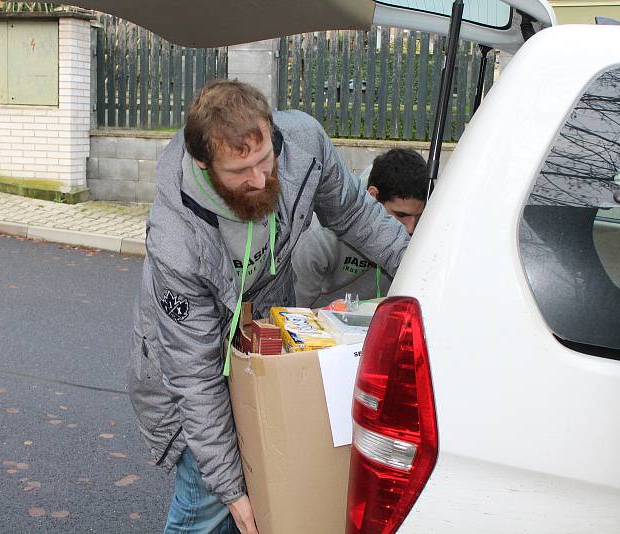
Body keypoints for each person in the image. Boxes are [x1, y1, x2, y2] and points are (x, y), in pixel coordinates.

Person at [126, 79, 409, 534]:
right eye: (240, 170)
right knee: (208, 503)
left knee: (270, 483)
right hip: (194, 363)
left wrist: (422, 272)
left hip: (262, 344)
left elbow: (355, 214)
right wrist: (233, 491)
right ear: (204, 164)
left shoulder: (302, 144)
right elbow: (195, 376)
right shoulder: (175, 239)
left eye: (264, 159)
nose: (260, 179)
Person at [293, 148, 427, 308]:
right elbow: (293, 313)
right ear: (373, 196)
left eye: (419, 218)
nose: (411, 229)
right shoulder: (318, 237)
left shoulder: (427, 232)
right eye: (401, 215)